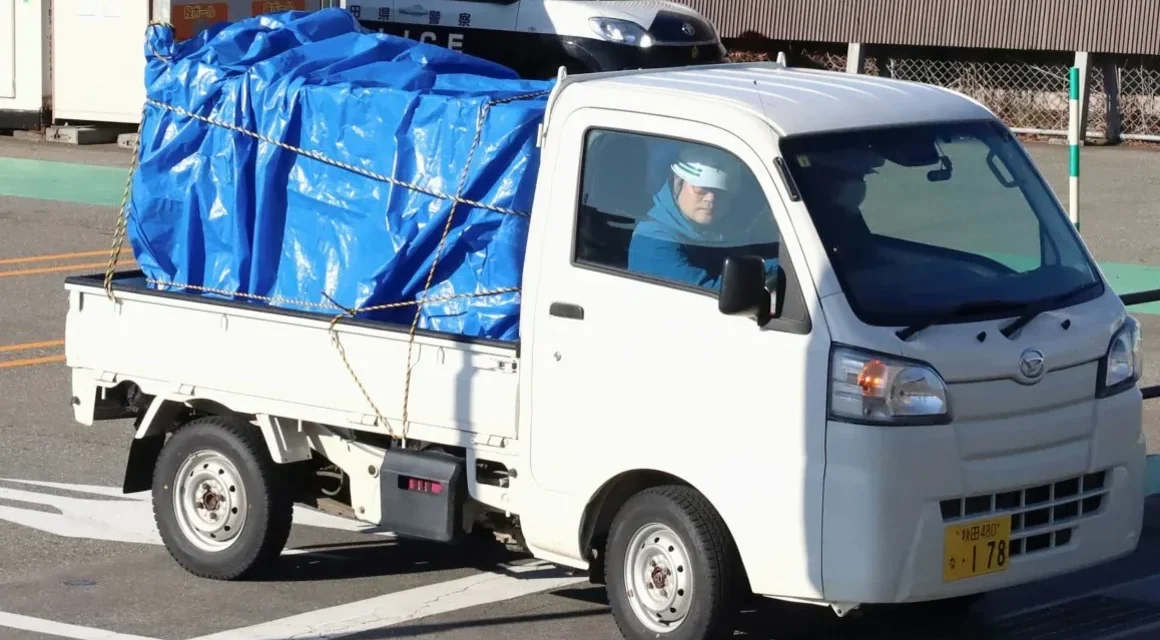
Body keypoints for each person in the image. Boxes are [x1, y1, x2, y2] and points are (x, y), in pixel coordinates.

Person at [627, 145, 778, 292]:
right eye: (701, 189)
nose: (711, 198)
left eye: (721, 192)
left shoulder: (721, 230)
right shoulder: (652, 240)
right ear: (677, 182)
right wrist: (781, 270)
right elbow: (709, 293)